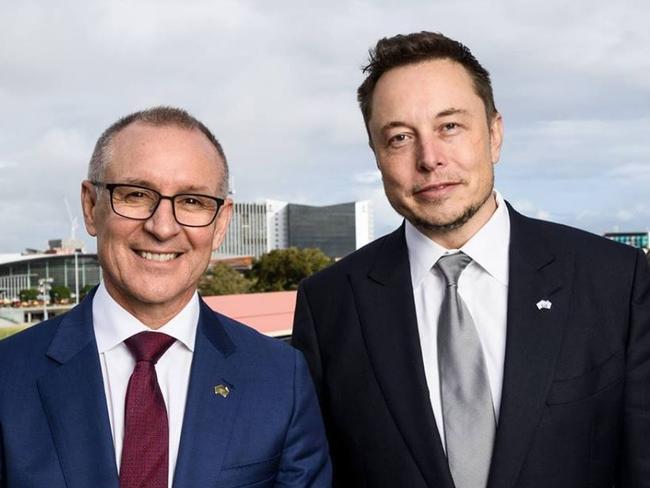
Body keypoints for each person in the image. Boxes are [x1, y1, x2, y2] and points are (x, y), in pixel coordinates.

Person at [292, 32, 650, 487]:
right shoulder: (329, 305)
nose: (429, 159)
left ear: (495, 134)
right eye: (400, 137)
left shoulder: (614, 280)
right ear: (377, 156)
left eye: (450, 127)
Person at [0, 106, 331, 488]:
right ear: (91, 208)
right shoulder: (9, 377)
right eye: (137, 194)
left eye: (192, 201)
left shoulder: (280, 379)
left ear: (221, 223)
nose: (163, 227)